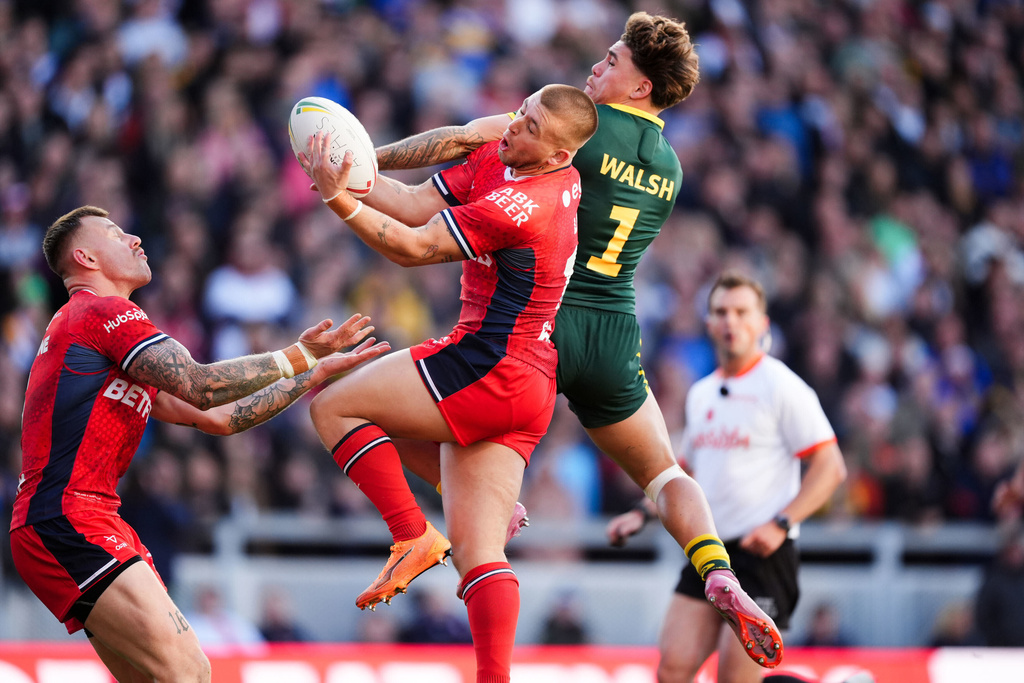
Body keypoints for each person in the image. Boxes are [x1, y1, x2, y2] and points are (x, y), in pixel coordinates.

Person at [370, 11, 783, 669]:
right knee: (664, 471)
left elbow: (463, 141)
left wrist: (364, 157)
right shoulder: (671, 169)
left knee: (402, 408)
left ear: (641, 85)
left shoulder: (572, 128)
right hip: (613, 335)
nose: (597, 66)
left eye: (613, 60)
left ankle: (482, 510)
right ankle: (717, 568)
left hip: (535, 324)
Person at [9, 206, 390, 683]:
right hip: (69, 518)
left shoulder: (97, 335)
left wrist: (311, 374)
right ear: (85, 257)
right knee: (190, 671)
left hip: (78, 518)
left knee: (162, 679)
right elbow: (201, 385)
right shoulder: (101, 312)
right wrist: (297, 355)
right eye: (114, 232)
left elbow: (220, 418)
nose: (133, 238)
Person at [298, 84, 598, 682]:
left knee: (333, 407)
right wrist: (351, 170)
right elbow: (411, 202)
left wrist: (339, 201)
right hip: (529, 386)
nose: (512, 128)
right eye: (520, 113)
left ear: (558, 156)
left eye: (531, 127)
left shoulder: (526, 204)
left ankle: (411, 535)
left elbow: (414, 246)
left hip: (485, 364)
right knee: (481, 553)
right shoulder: (515, 155)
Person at [607, 271, 848, 683]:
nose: (730, 321)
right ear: (708, 324)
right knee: (672, 671)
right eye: (721, 312)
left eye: (741, 312)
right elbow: (685, 475)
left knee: (736, 681)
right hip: (709, 554)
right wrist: (641, 513)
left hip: (763, 556)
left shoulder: (782, 386)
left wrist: (782, 523)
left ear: (761, 324)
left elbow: (832, 467)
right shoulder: (701, 394)